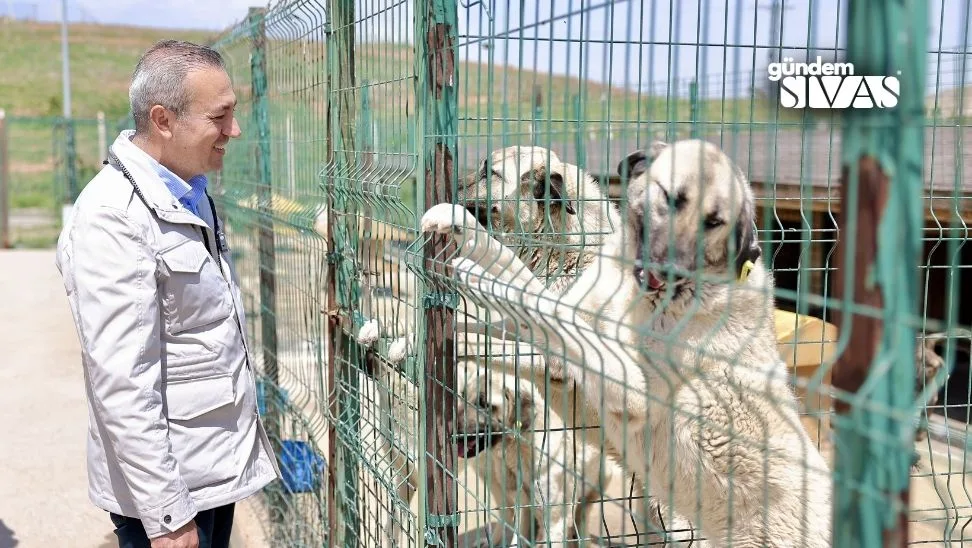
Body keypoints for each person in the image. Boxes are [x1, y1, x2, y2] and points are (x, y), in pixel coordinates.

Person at [55, 40, 280, 548]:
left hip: (208, 471)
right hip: (173, 498)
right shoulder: (114, 216)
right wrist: (168, 517)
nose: (234, 131)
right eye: (220, 117)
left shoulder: (186, 187)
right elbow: (121, 380)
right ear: (163, 120)